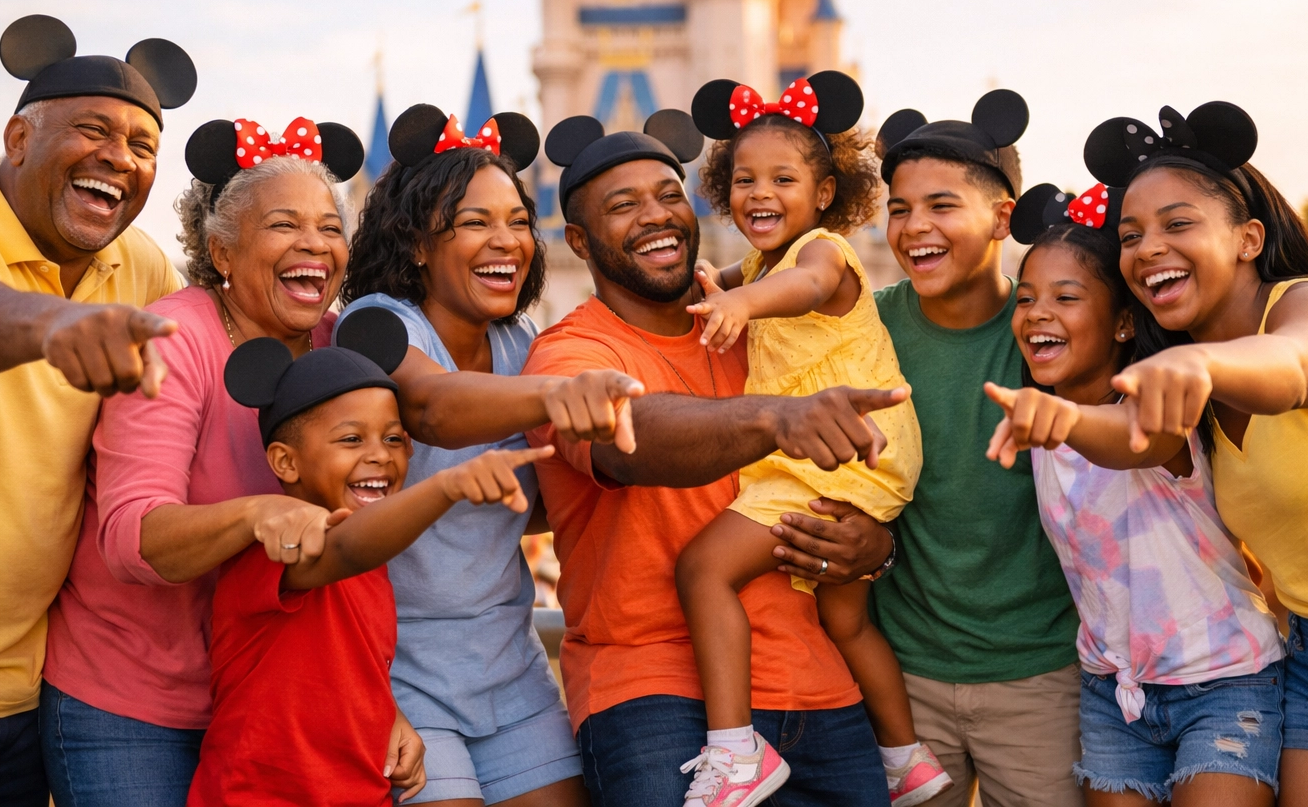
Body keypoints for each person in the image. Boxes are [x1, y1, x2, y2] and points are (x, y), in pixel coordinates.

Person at [522, 110, 907, 807]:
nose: (655, 216)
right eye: (623, 205)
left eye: (669, 196)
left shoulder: (759, 328)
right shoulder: (570, 355)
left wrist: (872, 545)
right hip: (655, 698)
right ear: (577, 240)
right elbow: (628, 434)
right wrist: (775, 417)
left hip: (815, 687)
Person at [0, 14, 195, 804]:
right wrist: (56, 324)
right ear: (18, 138)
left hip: (27, 696)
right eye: (92, 130)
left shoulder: (140, 264)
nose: (118, 158)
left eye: (142, 145)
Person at [1066, 103, 1308, 807]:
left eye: (1177, 224)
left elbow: (1296, 366)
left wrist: (1202, 370)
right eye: (1130, 235)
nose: (1146, 248)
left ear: (1249, 238)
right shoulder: (1188, 382)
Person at [40, 116, 367, 806]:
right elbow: (132, 538)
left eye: (330, 228)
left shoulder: (345, 348)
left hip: (272, 703)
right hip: (132, 706)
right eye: (284, 225)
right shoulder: (174, 340)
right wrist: (255, 514)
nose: (314, 242)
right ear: (222, 251)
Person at [336, 103, 642, 807]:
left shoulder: (521, 341)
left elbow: (520, 507)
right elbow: (432, 409)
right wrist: (559, 394)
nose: (507, 241)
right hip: (401, 670)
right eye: (475, 222)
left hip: (510, 665)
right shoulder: (378, 324)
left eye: (517, 221)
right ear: (417, 241)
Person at [672, 73, 946, 807]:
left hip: (837, 448)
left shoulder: (823, 252)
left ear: (824, 194)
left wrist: (739, 301)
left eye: (783, 179)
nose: (759, 192)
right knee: (845, 618)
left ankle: (736, 752)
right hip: (860, 457)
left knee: (703, 571)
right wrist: (711, 282)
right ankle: (906, 756)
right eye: (743, 179)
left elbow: (800, 288)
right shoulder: (761, 264)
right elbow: (734, 278)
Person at [983, 181, 1286, 806]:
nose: (1038, 312)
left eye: (1066, 297)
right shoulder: (1042, 424)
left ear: (1125, 322)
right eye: (1027, 298)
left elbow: (1131, 442)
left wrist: (1057, 419)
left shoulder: (1156, 410)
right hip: (1113, 692)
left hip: (1224, 681)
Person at [190, 307, 555, 806]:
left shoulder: (376, 559)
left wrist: (391, 714)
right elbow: (345, 547)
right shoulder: (275, 550)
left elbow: (347, 665)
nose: (381, 455)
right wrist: (445, 485)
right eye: (350, 439)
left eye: (394, 439)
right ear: (285, 461)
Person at [869, 91, 1083, 807]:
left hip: (1039, 677)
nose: (915, 227)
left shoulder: (1050, 328)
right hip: (904, 680)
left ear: (1002, 215)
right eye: (899, 208)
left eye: (941, 205)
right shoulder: (865, 331)